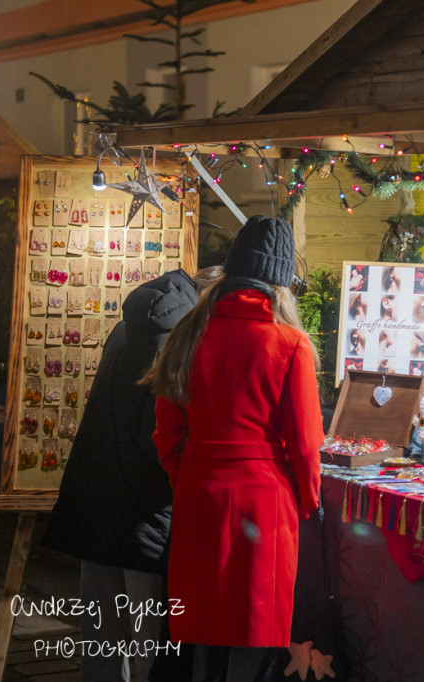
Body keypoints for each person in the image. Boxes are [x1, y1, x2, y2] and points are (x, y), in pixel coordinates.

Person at [142, 215, 323, 680]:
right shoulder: (290, 344)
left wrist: (187, 478)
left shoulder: (187, 334)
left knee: (200, 635)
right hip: (263, 506)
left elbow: (167, 431)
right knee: (254, 636)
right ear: (280, 286)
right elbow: (305, 445)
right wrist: (308, 502)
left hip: (200, 495)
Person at [41, 266, 221, 682]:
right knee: (148, 650)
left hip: (95, 501)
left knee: (100, 648)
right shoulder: (181, 342)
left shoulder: (127, 326)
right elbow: (157, 438)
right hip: (145, 515)